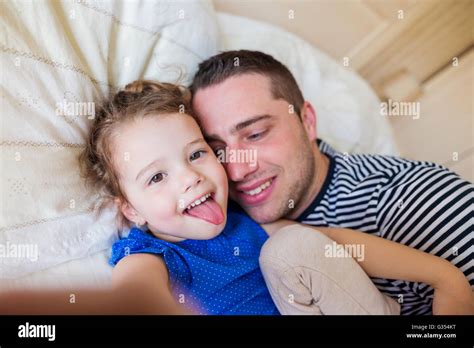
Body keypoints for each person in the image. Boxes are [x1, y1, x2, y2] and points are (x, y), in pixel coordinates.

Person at [0, 81, 470, 315]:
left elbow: (335, 242)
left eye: (197, 154)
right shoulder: (153, 256)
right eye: (157, 176)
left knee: (293, 245)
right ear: (131, 210)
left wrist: (445, 278)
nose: (190, 178)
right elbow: (135, 296)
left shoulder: (247, 226)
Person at [190, 50, 474, 315]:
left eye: (256, 134)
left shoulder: (408, 199)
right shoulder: (214, 222)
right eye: (218, 151)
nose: (237, 170)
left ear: (308, 121)